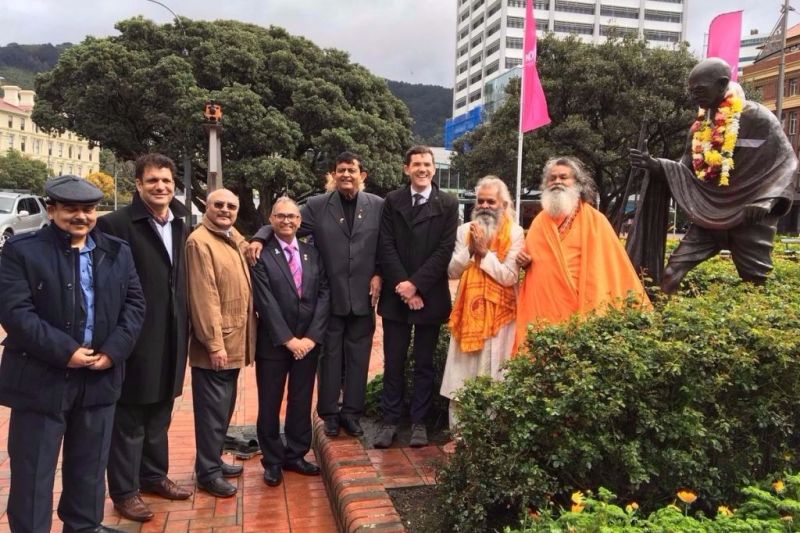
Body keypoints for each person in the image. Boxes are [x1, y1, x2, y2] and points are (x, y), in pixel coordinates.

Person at [0, 176, 145, 533]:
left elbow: (135, 304)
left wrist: (113, 351)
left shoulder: (116, 250)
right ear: (52, 210)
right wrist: (66, 352)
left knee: (89, 466)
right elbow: (15, 312)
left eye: (88, 209)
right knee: (34, 471)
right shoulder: (21, 250)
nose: (81, 216)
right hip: (41, 380)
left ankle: (83, 526)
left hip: (99, 377)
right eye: (71, 209)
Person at [629, 58, 797, 293]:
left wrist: (766, 201)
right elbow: (683, 169)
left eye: (699, 89)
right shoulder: (700, 127)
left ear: (722, 85)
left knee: (756, 283)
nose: (694, 96)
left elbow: (787, 163)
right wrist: (653, 164)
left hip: (750, 215)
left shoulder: (758, 118)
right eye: (691, 91)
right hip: (709, 216)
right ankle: (657, 324)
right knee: (671, 272)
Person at [246, 151, 382, 438]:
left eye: (352, 170)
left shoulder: (378, 206)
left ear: (363, 175)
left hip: (363, 297)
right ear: (333, 174)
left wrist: (379, 272)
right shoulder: (319, 206)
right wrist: (259, 237)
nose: (346, 174)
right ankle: (329, 413)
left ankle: (352, 413)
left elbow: (388, 242)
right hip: (329, 297)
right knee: (329, 358)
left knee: (359, 358)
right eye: (341, 169)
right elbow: (285, 221)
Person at [98, 153, 192, 522]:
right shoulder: (116, 225)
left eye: (167, 181)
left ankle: (154, 476)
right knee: (131, 416)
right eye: (153, 180)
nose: (161, 187)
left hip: (171, 331)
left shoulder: (180, 223)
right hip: (134, 335)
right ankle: (124, 491)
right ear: (138, 184)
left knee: (161, 410)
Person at [513, 156, 650, 355]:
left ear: (577, 184)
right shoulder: (539, 223)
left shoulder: (596, 221)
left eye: (563, 177)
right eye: (552, 178)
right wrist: (524, 263)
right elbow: (537, 263)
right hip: (543, 314)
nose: (557, 182)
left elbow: (611, 268)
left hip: (582, 310)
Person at [375, 145, 459, 449]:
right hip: (397, 297)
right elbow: (385, 246)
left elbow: (444, 251)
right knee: (394, 361)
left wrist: (417, 286)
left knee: (424, 363)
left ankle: (420, 422)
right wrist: (404, 286)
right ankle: (390, 421)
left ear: (434, 169)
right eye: (416, 164)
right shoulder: (392, 201)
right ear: (406, 169)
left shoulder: (448, 204)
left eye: (427, 164)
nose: (422, 169)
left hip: (430, 296)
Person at [251, 197, 330, 487]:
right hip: (274, 345)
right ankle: (272, 461)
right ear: (271, 220)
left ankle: (296, 454)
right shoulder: (260, 254)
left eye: (293, 217)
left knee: (300, 400)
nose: (287, 221)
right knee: (269, 403)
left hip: (308, 344)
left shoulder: (312, 253)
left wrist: (310, 338)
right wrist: (288, 339)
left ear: (300, 221)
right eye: (281, 216)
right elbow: (265, 301)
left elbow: (324, 293)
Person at [186, 189, 255, 498]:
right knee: (211, 413)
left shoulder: (227, 237)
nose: (225, 209)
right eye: (219, 205)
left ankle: (212, 461)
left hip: (234, 340)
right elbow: (204, 297)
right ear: (206, 207)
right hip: (218, 345)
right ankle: (207, 473)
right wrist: (214, 344)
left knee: (222, 409)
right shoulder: (199, 242)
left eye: (231, 205)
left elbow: (239, 238)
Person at [440, 176, 524, 431]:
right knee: (461, 374)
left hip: (501, 316)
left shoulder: (516, 233)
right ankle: (461, 434)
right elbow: (452, 271)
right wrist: (471, 250)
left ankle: (492, 435)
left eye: (491, 201)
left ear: (504, 204)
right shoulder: (465, 231)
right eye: (481, 201)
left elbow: (509, 277)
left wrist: (485, 253)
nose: (485, 206)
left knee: (496, 374)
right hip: (469, 312)